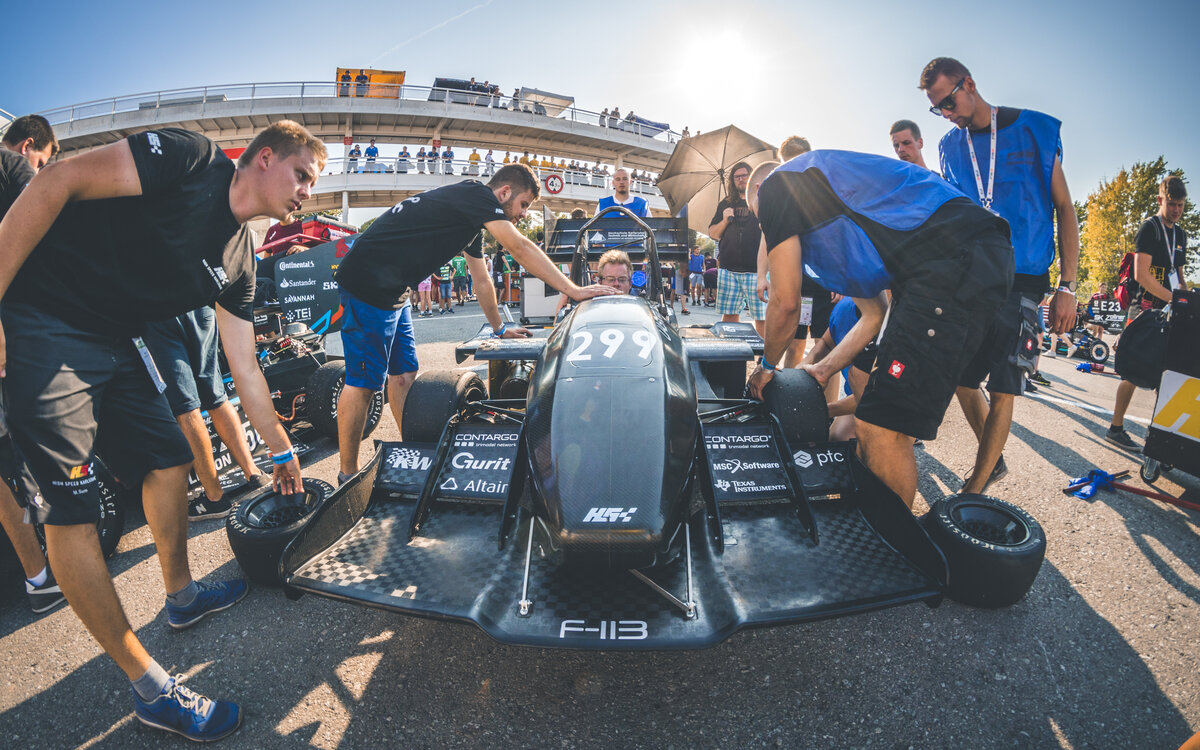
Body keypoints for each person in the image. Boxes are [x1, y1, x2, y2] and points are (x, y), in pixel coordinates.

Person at [0, 120, 322, 740]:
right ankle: (149, 687)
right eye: (302, 174)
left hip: (117, 336)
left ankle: (180, 597)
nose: (307, 190)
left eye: (312, 181)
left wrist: (281, 449)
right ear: (261, 158)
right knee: (71, 507)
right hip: (44, 316)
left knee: (170, 457)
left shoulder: (241, 262)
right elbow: (58, 180)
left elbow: (245, 368)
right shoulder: (189, 158)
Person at [745, 151, 1013, 507]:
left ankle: (897, 552)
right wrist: (822, 370)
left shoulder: (778, 186)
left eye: (761, 220)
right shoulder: (831, 215)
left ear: (761, 191)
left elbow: (785, 303)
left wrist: (765, 368)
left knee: (882, 428)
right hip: (967, 256)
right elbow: (874, 314)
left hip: (952, 257)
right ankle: (887, 533)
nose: (767, 228)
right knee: (873, 422)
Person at [331, 164, 616, 481]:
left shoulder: (469, 220)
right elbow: (518, 246)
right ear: (504, 193)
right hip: (366, 285)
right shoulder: (476, 195)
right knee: (365, 384)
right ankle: (348, 475)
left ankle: (410, 452)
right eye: (523, 205)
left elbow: (482, 282)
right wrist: (571, 289)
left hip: (394, 291)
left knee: (404, 374)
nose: (522, 215)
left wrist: (499, 329)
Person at [921, 56, 1079, 494]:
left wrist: (1068, 284)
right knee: (961, 379)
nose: (947, 114)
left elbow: (1065, 208)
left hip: (1024, 279)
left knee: (1005, 386)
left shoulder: (1033, 130)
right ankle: (995, 461)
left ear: (969, 84)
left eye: (948, 102)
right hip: (975, 278)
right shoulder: (950, 147)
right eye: (938, 109)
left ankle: (976, 487)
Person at [0, 115, 62, 614]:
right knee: (14, 457)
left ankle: (39, 577)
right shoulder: (11, 165)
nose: (42, 170)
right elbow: (52, 226)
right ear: (29, 147)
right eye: (43, 161)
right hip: (18, 339)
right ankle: (46, 573)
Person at [141, 303, 268, 521]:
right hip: (198, 307)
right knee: (216, 398)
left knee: (187, 408)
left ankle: (215, 498)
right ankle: (254, 474)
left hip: (158, 311)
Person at [1107, 175, 1189, 450]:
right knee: (1131, 371)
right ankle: (1115, 428)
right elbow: (1142, 275)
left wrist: (1187, 301)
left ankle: (1161, 437)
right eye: (1172, 204)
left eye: (1181, 205)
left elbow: (1179, 275)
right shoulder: (1149, 228)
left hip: (1170, 309)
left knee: (1168, 373)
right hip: (1144, 308)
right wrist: (1175, 300)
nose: (1176, 210)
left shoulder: (1181, 234)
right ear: (1160, 200)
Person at [709, 161, 766, 335]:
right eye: (737, 176)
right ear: (733, 181)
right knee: (730, 317)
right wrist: (725, 219)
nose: (741, 179)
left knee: (762, 318)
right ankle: (731, 356)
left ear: (752, 177)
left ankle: (764, 360)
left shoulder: (761, 200)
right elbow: (713, 233)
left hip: (756, 270)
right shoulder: (725, 204)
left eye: (744, 175)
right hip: (729, 270)